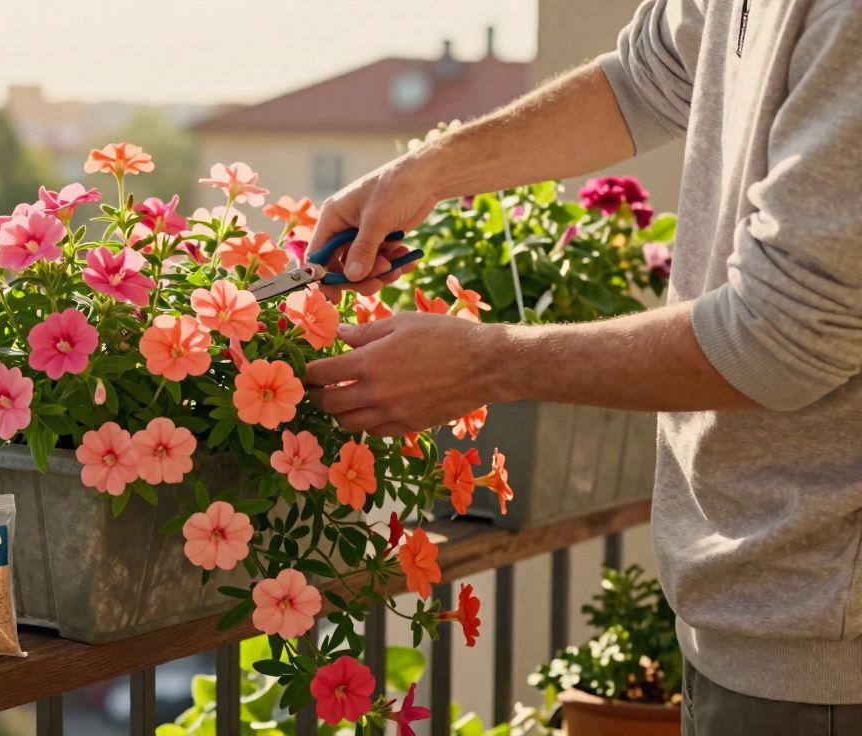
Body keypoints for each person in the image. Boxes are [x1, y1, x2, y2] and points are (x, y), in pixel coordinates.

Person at [303, 1, 862, 733]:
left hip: (827, 641)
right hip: (762, 607)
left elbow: (785, 334)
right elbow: (643, 79)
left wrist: (485, 364)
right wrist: (426, 171)